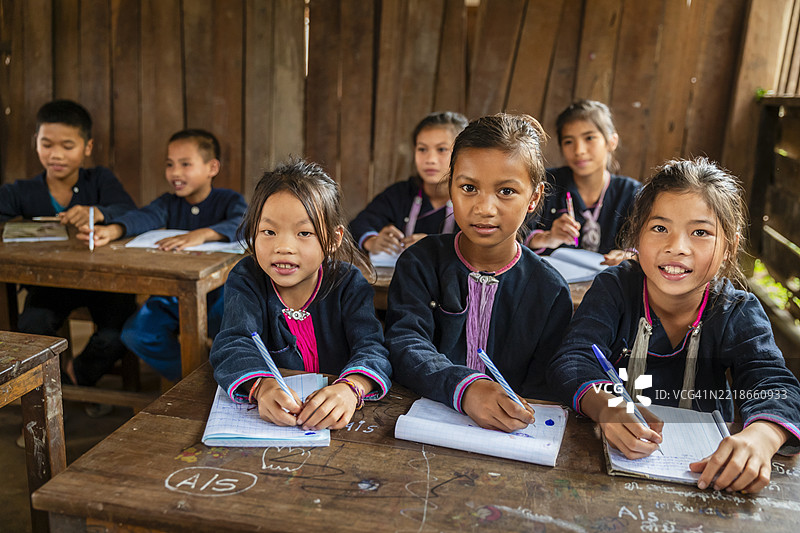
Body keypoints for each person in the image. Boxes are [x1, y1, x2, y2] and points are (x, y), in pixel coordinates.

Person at [547, 157, 800, 493]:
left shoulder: (736, 310)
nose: (676, 247)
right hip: (604, 471)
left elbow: (773, 382)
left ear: (730, 246)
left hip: (704, 476)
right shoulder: (616, 289)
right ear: (637, 235)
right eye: (660, 228)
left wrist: (763, 436)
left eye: (700, 232)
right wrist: (607, 405)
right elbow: (573, 358)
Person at [385, 113, 573, 432]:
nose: (484, 208)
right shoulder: (420, 262)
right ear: (450, 187)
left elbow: (545, 389)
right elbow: (405, 343)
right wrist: (466, 388)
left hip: (510, 440)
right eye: (469, 187)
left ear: (535, 197)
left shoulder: (548, 290)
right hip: (419, 427)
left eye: (506, 191)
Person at [210, 159, 392, 431]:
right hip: (278, 426)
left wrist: (350, 389)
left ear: (333, 238)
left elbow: (373, 348)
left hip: (341, 425)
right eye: (268, 231)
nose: (283, 247)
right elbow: (233, 343)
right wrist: (261, 386)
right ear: (252, 231)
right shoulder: (247, 278)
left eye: (304, 232)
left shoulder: (348, 283)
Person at [80, 129, 247, 381]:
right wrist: (113, 230)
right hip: (174, 296)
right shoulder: (168, 203)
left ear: (212, 167)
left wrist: (202, 234)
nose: (175, 173)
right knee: (137, 334)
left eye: (185, 164)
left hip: (222, 297)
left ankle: (233, 375)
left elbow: (242, 223)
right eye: (170, 164)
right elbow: (144, 216)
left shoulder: (229, 200)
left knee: (238, 336)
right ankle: (197, 380)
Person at [0, 99, 137, 389]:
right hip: (51, 284)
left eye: (68, 146)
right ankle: (50, 396)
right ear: (35, 142)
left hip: (106, 283)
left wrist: (99, 212)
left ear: (87, 147)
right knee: (31, 326)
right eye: (47, 144)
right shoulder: (23, 191)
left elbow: (129, 210)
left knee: (119, 333)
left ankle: (75, 379)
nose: (56, 155)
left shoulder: (99, 180)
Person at [526, 100, 640, 265]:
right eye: (569, 141)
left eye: (589, 138)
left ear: (611, 141)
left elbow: (647, 246)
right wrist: (546, 238)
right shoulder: (546, 184)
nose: (579, 150)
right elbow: (514, 239)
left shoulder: (631, 193)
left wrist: (630, 256)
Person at [349, 111, 468, 255]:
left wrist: (436, 245)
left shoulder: (471, 199)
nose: (430, 159)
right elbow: (359, 225)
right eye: (422, 149)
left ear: (463, 154)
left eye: (442, 149)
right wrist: (372, 240)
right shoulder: (401, 194)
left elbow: (482, 245)